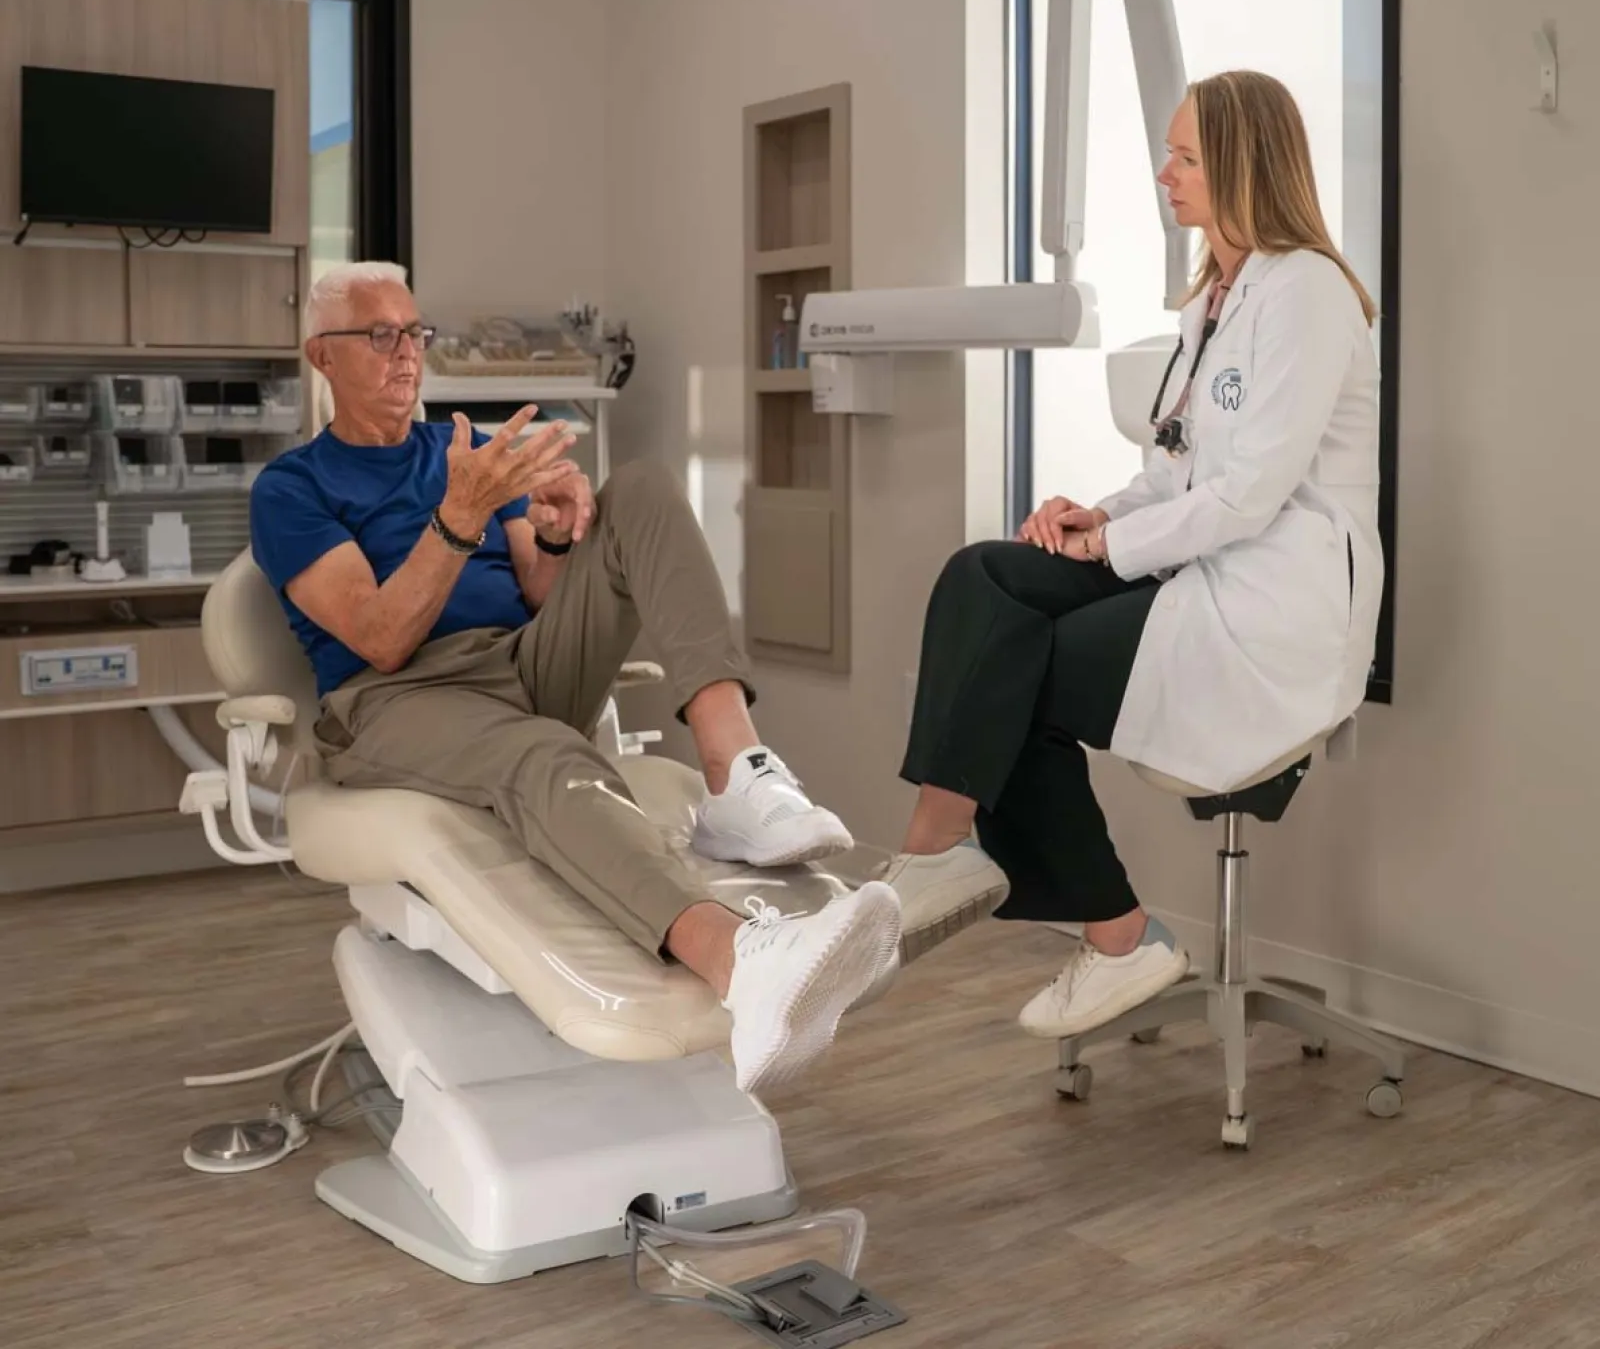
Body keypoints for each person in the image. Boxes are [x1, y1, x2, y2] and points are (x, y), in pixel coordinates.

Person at [249, 260, 901, 1096]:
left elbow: (542, 598)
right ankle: (742, 963)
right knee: (546, 759)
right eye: (379, 336)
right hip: (397, 699)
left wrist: (554, 536)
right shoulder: (293, 487)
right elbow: (379, 638)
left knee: (641, 488)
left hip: (519, 665)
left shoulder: (472, 455)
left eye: (414, 333)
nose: (405, 353)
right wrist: (460, 516)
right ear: (321, 357)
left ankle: (736, 773)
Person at [883, 70, 1381, 1040]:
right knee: (981, 573)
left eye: (1186, 156)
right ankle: (938, 849)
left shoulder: (1307, 293)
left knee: (1015, 671)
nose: (1166, 173)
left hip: (1274, 610)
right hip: (1202, 565)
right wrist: (1092, 515)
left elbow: (1248, 495)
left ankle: (1114, 934)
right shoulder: (1213, 300)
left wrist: (1111, 548)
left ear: (1243, 162)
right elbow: (1174, 470)